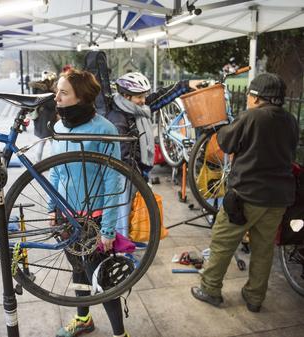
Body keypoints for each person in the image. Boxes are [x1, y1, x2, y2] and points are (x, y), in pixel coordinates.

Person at [191, 73, 299, 312]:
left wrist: (224, 130)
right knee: (263, 249)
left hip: (246, 197)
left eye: (250, 95)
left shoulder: (251, 117)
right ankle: (254, 297)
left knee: (222, 242)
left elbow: (226, 143)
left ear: (257, 97)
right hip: (278, 198)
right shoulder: (290, 120)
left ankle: (210, 290)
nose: (248, 99)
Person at [49, 68, 130, 337]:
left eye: (63, 92)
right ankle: (83, 319)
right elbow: (55, 171)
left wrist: (108, 229)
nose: (56, 97)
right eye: (56, 91)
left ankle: (120, 334)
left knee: (102, 278)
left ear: (81, 97)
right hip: (67, 216)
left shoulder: (104, 130)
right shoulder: (58, 126)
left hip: (94, 218)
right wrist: (53, 208)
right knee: (78, 271)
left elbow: (112, 181)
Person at [106, 71, 204, 181]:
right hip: (126, 179)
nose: (143, 101)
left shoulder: (137, 108)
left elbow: (160, 97)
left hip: (138, 174)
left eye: (144, 96)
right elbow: (124, 158)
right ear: (126, 96)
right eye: (139, 97)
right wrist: (141, 183)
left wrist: (186, 85)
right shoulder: (118, 121)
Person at [28, 71, 58, 162]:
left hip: (42, 119)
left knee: (45, 141)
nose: (53, 83)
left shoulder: (41, 90)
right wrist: (55, 97)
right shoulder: (44, 92)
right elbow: (50, 105)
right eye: (52, 81)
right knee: (48, 141)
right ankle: (42, 161)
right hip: (45, 119)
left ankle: (40, 161)